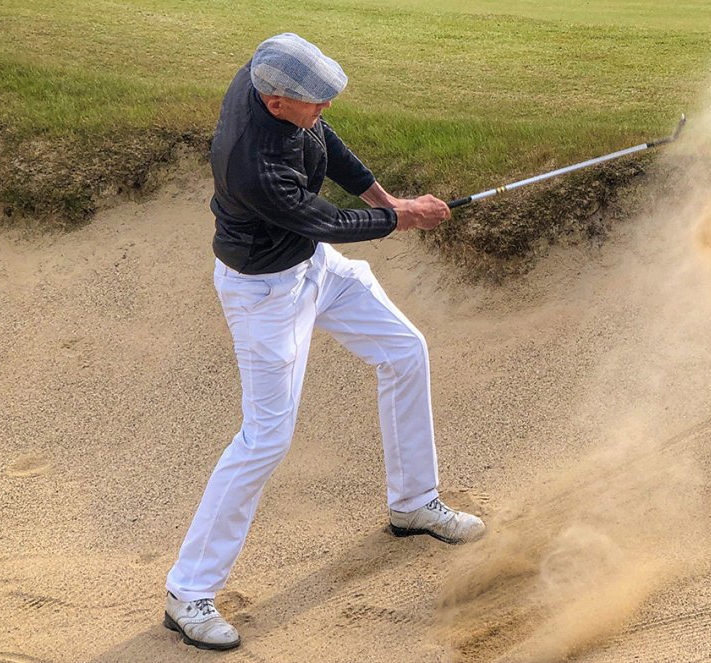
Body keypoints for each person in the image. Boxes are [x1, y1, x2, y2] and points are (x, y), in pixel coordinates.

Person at [162, 33, 485, 651]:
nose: (325, 108)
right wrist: (401, 218)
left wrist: (384, 198)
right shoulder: (251, 163)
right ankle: (188, 593)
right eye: (315, 100)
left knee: (404, 350)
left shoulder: (268, 70)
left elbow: (322, 143)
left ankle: (414, 503)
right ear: (276, 101)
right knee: (266, 438)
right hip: (264, 296)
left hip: (313, 266)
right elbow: (326, 220)